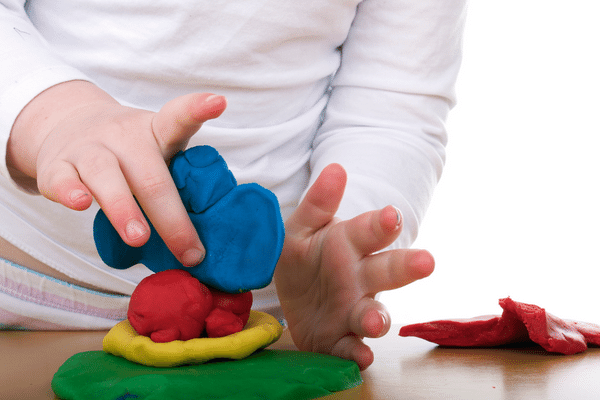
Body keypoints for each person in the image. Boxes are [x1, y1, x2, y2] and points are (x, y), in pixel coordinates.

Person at [0, 0, 466, 369]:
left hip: (263, 321)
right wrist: (56, 115)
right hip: (25, 295)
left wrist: (345, 235)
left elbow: (391, 106)